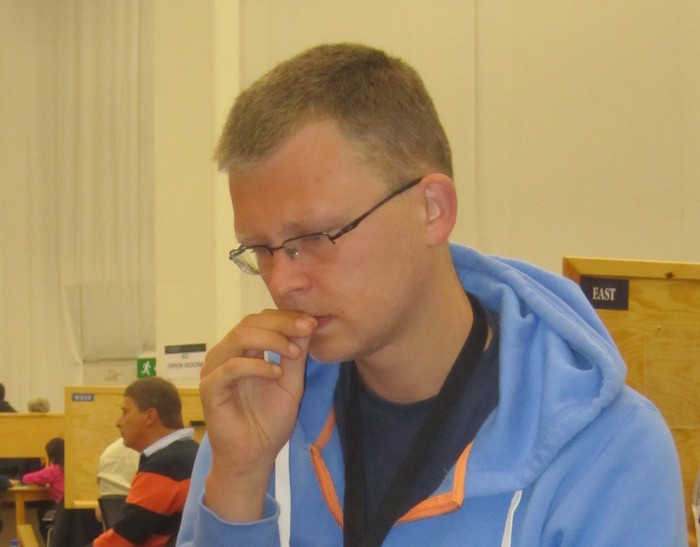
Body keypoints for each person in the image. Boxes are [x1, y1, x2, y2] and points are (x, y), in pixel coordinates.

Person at [177, 43, 686, 546]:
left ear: (433, 209)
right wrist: (239, 482)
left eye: (314, 237)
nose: (282, 282)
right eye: (260, 250)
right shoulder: (257, 416)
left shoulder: (607, 450)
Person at [91, 377, 199, 547]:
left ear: (150, 417)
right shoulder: (192, 452)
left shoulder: (165, 466)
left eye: (125, 412)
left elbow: (122, 539)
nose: (119, 422)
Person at [21, 437, 65, 541]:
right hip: (76, 513)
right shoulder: (72, 468)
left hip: (62, 510)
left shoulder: (53, 470)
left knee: (42, 515)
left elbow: (27, 478)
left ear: (51, 456)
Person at [94, 437, 139, 523]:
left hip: (115, 529)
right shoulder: (157, 455)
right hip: (150, 527)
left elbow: (100, 514)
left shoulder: (109, 453)